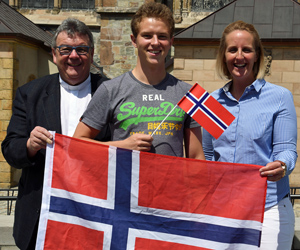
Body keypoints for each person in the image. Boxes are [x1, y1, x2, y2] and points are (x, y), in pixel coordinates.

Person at [1, 18, 110, 250]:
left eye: (81, 49)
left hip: (96, 213)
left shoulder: (110, 91)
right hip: (41, 214)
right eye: (65, 49)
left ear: (91, 54)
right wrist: (30, 145)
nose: (73, 56)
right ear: (53, 53)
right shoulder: (30, 94)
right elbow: (10, 149)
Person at [202, 20, 297, 249]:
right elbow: (208, 157)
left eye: (247, 49)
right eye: (232, 49)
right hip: (223, 209)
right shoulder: (212, 103)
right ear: (224, 56)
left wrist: (283, 165)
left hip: (268, 209)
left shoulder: (279, 97)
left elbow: (287, 149)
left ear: (257, 55)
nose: (239, 56)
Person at [73, 2, 205, 160]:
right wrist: (122, 146)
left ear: (171, 41)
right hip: (125, 183)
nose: (155, 42)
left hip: (170, 184)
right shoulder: (111, 90)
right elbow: (76, 145)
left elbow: (196, 157)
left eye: (162, 36)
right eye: (147, 35)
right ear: (134, 40)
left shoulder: (188, 93)